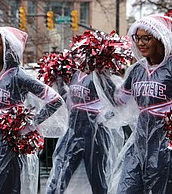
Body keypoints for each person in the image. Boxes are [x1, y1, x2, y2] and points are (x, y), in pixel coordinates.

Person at [44, 30, 131, 194]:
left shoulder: (100, 77)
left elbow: (118, 103)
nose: (82, 57)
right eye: (80, 53)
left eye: (85, 53)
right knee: (60, 173)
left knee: (97, 177)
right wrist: (59, 82)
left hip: (94, 134)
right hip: (73, 130)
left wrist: (104, 116)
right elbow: (69, 100)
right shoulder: (76, 74)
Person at [0, 26, 63, 194]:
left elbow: (55, 100)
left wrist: (29, 126)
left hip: (8, 151)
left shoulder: (19, 76)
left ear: (9, 49)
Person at [116, 14, 172, 194]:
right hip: (138, 143)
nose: (141, 43)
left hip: (164, 145)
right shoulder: (136, 70)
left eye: (146, 38)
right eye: (137, 38)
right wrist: (100, 77)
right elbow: (119, 100)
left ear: (160, 38)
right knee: (126, 188)